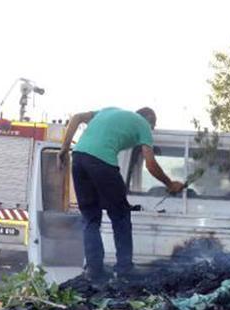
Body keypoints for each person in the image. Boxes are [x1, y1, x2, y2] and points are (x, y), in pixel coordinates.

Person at [57, 107, 184, 281]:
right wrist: (170, 184)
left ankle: (95, 271)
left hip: (78, 158)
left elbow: (77, 116)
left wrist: (64, 148)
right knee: (121, 215)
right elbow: (151, 164)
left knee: (90, 218)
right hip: (102, 162)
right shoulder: (144, 125)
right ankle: (124, 269)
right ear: (150, 122)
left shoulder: (109, 110)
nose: (150, 133)